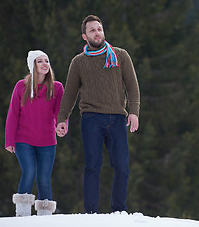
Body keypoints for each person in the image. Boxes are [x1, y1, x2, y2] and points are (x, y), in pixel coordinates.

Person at [56, 14, 140, 214]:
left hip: (118, 118)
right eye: (92, 30)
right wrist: (62, 118)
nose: (97, 32)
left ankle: (119, 211)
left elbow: (132, 86)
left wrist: (134, 112)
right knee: (92, 166)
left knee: (122, 167)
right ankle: (90, 214)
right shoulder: (78, 62)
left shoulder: (120, 55)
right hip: (91, 118)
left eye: (99, 29)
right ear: (84, 36)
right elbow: (70, 93)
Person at [5, 50, 66, 216]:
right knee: (29, 171)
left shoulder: (57, 87)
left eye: (46, 60)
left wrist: (62, 124)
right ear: (33, 65)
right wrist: (9, 140)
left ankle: (44, 218)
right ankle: (23, 214)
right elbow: (13, 114)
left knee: (44, 179)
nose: (45, 64)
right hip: (23, 140)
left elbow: (60, 112)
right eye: (40, 61)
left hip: (47, 141)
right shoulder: (21, 86)